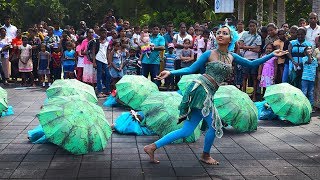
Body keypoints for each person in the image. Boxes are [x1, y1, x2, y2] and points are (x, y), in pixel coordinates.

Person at [143, 25, 287, 165]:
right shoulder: (209, 53)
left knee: (186, 130)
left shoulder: (232, 56)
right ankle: (205, 155)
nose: (220, 35)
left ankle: (152, 147)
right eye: (218, 32)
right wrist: (171, 72)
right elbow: (191, 69)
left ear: (231, 39)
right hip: (201, 89)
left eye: (224, 33)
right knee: (213, 125)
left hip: (209, 92)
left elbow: (252, 64)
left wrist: (272, 55)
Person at [238, 20, 262, 101]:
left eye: (253, 26)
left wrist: (246, 47)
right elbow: (240, 46)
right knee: (245, 77)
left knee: (254, 77)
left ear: (256, 26)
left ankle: (254, 96)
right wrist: (252, 48)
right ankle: (244, 94)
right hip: (245, 58)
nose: (252, 27)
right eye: (250, 26)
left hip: (254, 59)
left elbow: (258, 49)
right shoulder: (245, 34)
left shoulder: (258, 37)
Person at [94, 28, 111, 98]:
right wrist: (94, 62)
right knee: (99, 75)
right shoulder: (96, 41)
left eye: (105, 33)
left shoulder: (107, 41)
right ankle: (99, 91)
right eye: (103, 33)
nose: (104, 34)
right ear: (99, 33)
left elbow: (107, 52)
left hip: (105, 60)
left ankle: (107, 90)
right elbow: (93, 51)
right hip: (98, 59)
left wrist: (109, 61)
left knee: (108, 75)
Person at [301, 46, 318, 112]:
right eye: (308, 49)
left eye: (310, 48)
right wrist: (308, 55)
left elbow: (316, 68)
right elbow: (309, 62)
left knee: (311, 93)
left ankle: (311, 106)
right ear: (305, 52)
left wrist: (316, 77)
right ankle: (303, 106)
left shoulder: (315, 59)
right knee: (304, 92)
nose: (309, 50)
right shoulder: (304, 59)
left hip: (312, 79)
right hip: (305, 78)